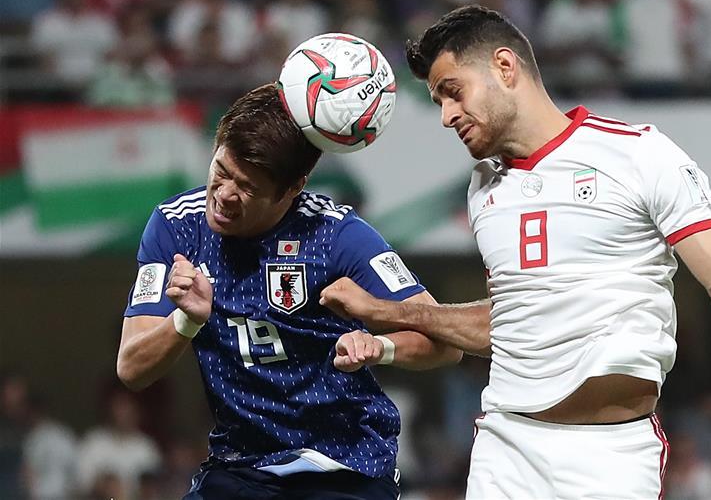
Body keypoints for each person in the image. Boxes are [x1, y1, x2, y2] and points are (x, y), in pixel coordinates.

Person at [319, 5, 711, 499]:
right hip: (506, 447)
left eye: (453, 90)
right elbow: (509, 323)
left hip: (611, 457)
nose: (446, 115)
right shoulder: (484, 190)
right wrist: (392, 316)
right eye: (438, 100)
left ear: (505, 68)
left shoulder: (637, 155)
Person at [116, 82, 462, 500]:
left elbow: (445, 343)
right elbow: (132, 368)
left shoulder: (338, 236)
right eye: (221, 171)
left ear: (292, 189)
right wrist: (187, 320)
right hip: (241, 466)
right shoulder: (175, 227)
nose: (224, 195)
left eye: (247, 188)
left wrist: (378, 347)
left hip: (345, 465)